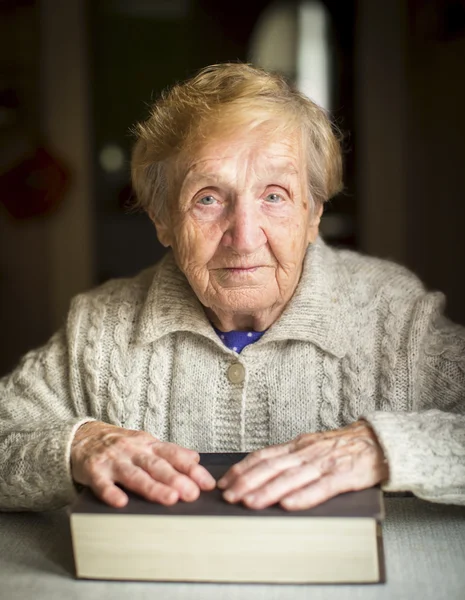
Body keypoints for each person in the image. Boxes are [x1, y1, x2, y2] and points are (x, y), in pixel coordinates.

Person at [1, 63, 464, 512]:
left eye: (274, 196)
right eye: (208, 198)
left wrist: (384, 448)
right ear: (163, 219)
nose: (243, 237)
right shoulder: (100, 328)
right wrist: (77, 446)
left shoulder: (397, 319)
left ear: (314, 213)